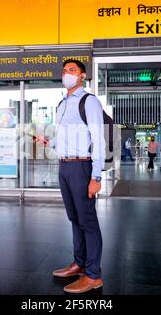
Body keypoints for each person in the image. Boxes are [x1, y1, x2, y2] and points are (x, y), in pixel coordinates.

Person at [51, 59, 105, 294]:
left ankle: (93, 275)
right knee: (74, 219)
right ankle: (80, 263)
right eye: (64, 71)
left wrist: (96, 176)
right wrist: (48, 142)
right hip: (64, 167)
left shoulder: (89, 101)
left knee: (88, 221)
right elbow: (63, 138)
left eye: (72, 71)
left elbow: (99, 140)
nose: (67, 74)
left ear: (82, 75)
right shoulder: (61, 104)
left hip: (82, 168)